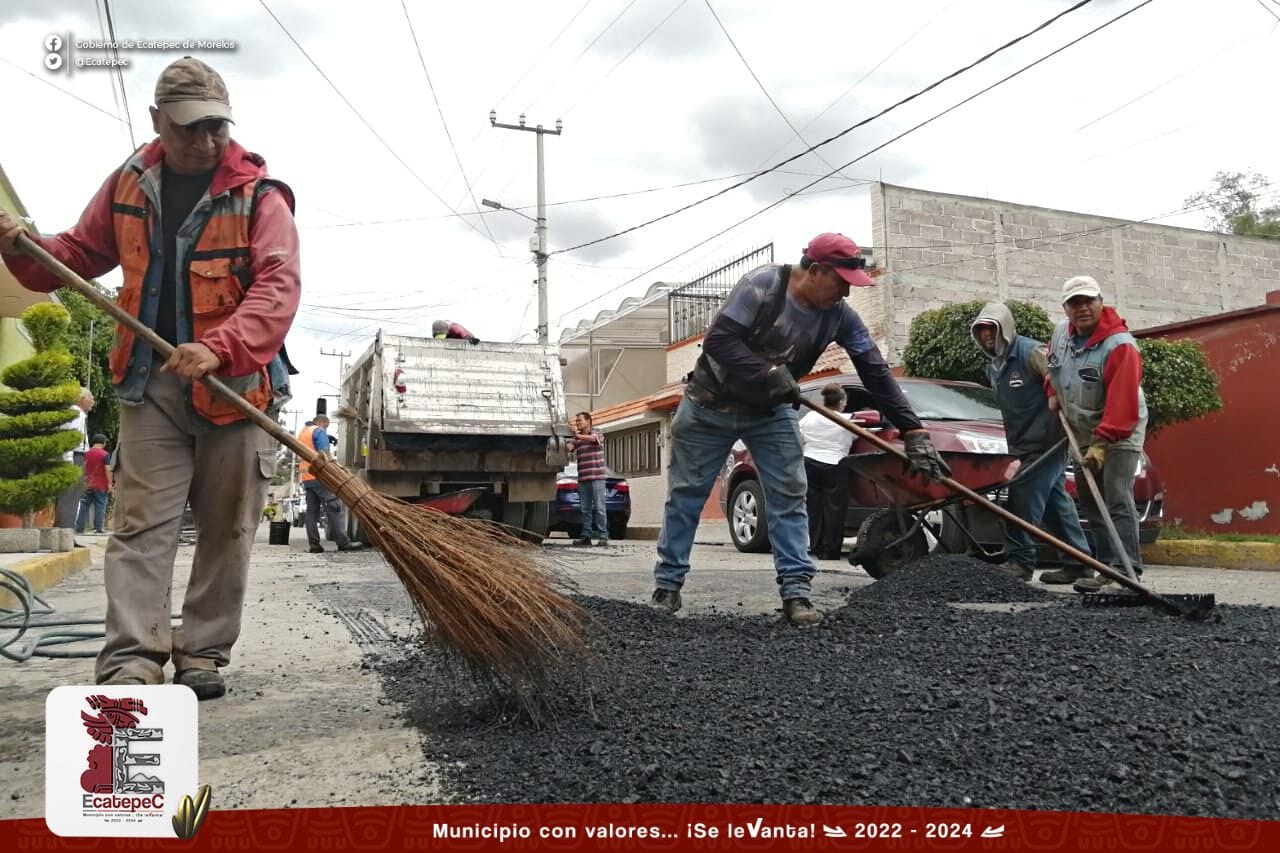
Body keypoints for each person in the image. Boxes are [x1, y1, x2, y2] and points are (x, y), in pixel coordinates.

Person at [0, 57, 300, 700]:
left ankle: (203, 655)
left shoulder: (260, 197)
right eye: (190, 127)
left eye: (217, 126)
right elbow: (78, 255)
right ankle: (133, 657)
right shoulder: (129, 184)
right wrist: (24, 246)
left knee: (226, 529)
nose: (206, 139)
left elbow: (278, 286)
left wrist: (220, 347)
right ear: (157, 121)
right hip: (151, 385)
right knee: (140, 527)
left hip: (236, 390)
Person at [650, 233, 949, 627]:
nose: (845, 292)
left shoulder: (840, 316)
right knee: (686, 496)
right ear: (815, 270)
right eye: (840, 281)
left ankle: (796, 593)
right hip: (710, 406)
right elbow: (719, 341)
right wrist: (768, 372)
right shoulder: (763, 286)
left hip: (770, 412)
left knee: (790, 496)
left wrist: (914, 431)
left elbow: (874, 372)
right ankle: (667, 587)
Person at [970, 303, 1096, 584]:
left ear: (1005, 327)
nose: (987, 335)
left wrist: (1071, 421)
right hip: (1021, 444)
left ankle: (1020, 562)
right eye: (981, 331)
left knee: (1021, 496)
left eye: (992, 328)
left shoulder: (1030, 352)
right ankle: (1079, 563)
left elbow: (1060, 380)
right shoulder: (994, 367)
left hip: (1047, 442)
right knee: (1056, 503)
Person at [1045, 276, 1148, 594]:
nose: (1083, 308)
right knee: (1091, 500)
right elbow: (1053, 365)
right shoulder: (1061, 334)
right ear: (1066, 309)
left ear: (1100, 301)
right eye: (1075, 303)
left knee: (1116, 497)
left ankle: (1127, 571)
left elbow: (1121, 404)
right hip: (1082, 429)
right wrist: (1051, 391)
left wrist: (1102, 444)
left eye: (1088, 300)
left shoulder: (1120, 346)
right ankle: (1106, 568)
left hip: (1120, 431)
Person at [799, 383, 855, 560]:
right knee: (835, 510)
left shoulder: (810, 417)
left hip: (810, 463)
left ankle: (816, 547)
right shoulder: (846, 420)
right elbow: (855, 436)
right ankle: (830, 550)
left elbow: (799, 435)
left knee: (813, 508)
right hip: (835, 464)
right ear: (841, 401)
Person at [296, 414, 364, 555]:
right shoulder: (319, 431)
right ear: (321, 422)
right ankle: (343, 543)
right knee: (335, 507)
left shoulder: (303, 432)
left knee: (312, 513)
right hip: (320, 476)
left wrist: (327, 438)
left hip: (307, 479)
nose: (325, 429)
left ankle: (314, 545)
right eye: (326, 426)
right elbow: (324, 454)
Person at [55, 386, 96, 529]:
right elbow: (69, 441)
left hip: (76, 457)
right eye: (91, 397)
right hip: (74, 458)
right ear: (82, 399)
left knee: (71, 497)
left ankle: (65, 532)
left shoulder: (76, 414)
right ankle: (64, 532)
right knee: (70, 497)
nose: (93, 401)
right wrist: (69, 463)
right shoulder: (76, 415)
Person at [567, 411, 608, 547]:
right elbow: (569, 448)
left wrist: (577, 435)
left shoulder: (597, 432)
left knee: (600, 508)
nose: (578, 423)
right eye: (576, 421)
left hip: (597, 478)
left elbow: (593, 439)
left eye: (580, 420)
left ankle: (603, 536)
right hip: (583, 479)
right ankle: (586, 537)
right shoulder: (577, 439)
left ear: (588, 421)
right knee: (585, 509)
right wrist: (564, 439)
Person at [74, 434, 113, 534]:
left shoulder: (86, 454)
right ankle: (98, 528)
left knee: (84, 506)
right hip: (101, 485)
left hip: (87, 484)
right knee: (100, 506)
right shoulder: (105, 454)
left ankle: (79, 528)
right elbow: (107, 469)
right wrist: (110, 484)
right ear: (103, 442)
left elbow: (83, 468)